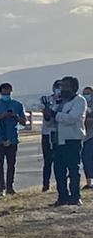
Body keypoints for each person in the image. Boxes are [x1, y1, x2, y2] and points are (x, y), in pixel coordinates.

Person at [44, 75, 87, 206]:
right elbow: (52, 123)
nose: (62, 89)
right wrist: (48, 115)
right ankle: (62, 196)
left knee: (73, 169)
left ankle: (75, 197)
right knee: (59, 170)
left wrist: (54, 114)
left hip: (72, 140)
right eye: (61, 86)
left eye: (66, 86)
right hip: (58, 140)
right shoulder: (59, 102)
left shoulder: (79, 101)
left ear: (74, 88)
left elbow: (72, 118)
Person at [0, 82, 25, 196]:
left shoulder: (18, 104)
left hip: (12, 138)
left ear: (11, 92)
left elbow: (24, 121)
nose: (5, 95)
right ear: (0, 92)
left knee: (11, 164)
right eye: (3, 93)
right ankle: (1, 188)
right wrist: (1, 116)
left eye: (7, 93)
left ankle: (10, 187)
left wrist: (15, 116)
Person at [40, 79, 60, 191]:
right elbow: (47, 118)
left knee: (60, 161)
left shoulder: (66, 101)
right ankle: (45, 185)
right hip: (47, 133)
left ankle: (61, 184)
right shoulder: (47, 100)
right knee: (47, 161)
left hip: (60, 133)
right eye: (57, 87)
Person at [83, 86, 93, 190]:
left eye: (88, 93)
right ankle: (89, 182)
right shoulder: (83, 104)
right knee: (86, 159)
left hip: (91, 135)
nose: (86, 96)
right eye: (84, 93)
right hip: (85, 136)